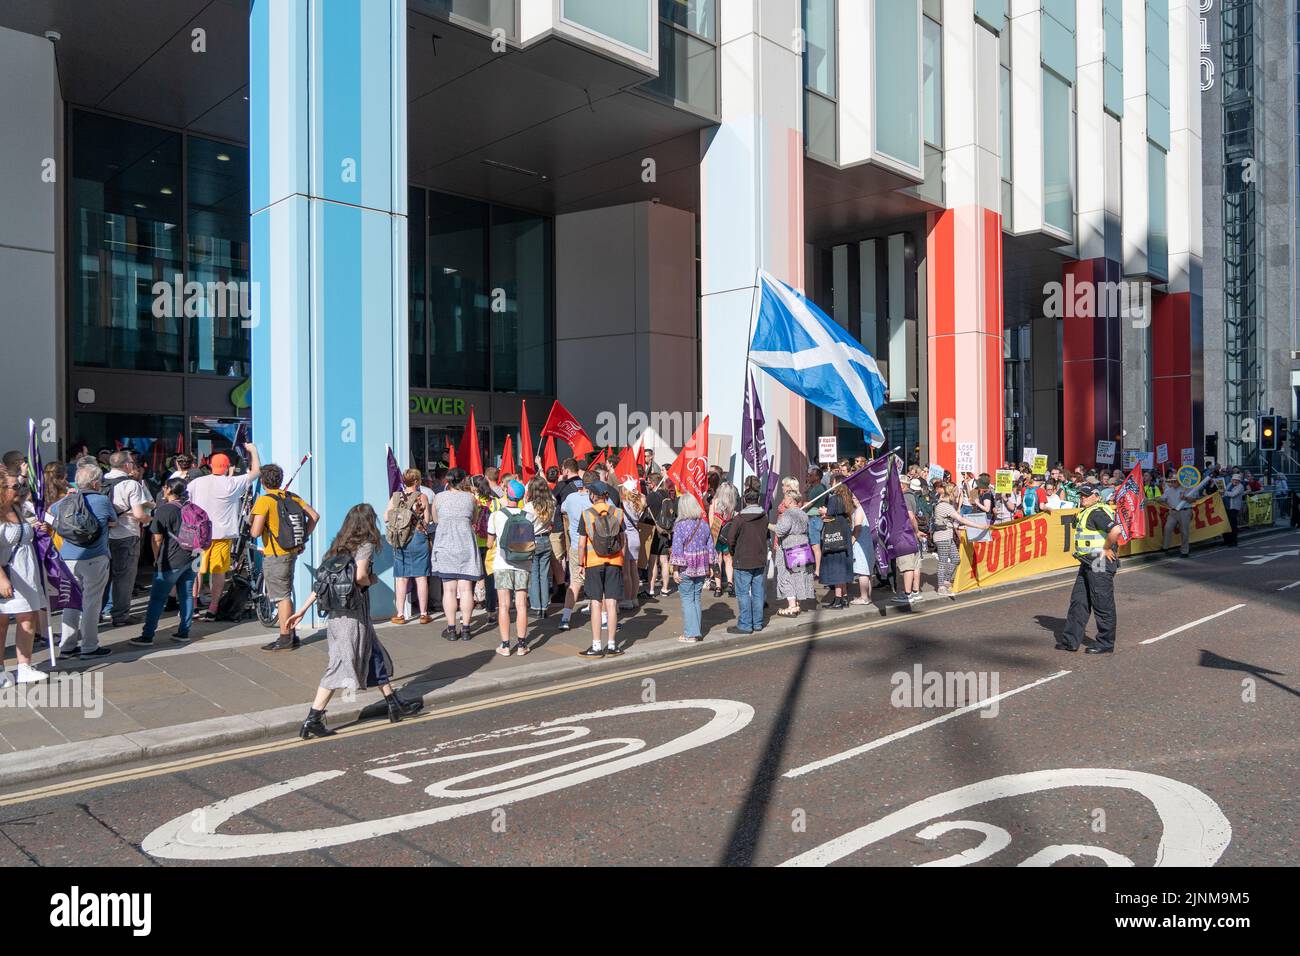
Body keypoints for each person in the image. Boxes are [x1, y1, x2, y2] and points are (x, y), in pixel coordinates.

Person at [286, 504, 422, 738]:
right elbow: (360, 577)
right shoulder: (365, 545)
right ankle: (313, 719)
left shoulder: (337, 547)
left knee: (374, 655)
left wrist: (301, 611)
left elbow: (322, 584)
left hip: (337, 615)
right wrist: (373, 580)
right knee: (338, 665)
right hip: (353, 615)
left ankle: (394, 705)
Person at [249, 463, 320, 650]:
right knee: (286, 593)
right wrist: (303, 537)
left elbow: (255, 532)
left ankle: (285, 637)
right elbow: (314, 516)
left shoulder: (265, 501)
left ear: (263, 481)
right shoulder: (292, 497)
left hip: (275, 554)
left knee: (282, 597)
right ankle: (291, 633)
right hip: (291, 551)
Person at [49, 463, 117, 658]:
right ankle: (89, 646)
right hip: (95, 558)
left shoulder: (65, 501)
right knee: (91, 603)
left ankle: (67, 646)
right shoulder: (102, 500)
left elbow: (49, 515)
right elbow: (114, 521)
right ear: (95, 483)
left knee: (70, 603)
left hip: (68, 558)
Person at [186, 444, 260, 618]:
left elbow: (185, 503)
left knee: (197, 570)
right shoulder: (232, 483)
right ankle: (213, 607)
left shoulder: (196, 483)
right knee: (218, 572)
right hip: (222, 535)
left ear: (210, 465)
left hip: (199, 535)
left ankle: (194, 605)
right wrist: (253, 450)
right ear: (228, 467)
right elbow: (256, 471)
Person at [130, 478, 200, 646]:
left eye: (165, 486)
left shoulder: (164, 510)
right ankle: (184, 631)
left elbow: (157, 539)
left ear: (168, 490)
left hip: (171, 559)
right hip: (193, 556)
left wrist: (156, 559)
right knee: (186, 595)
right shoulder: (193, 508)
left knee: (157, 598)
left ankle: (147, 635)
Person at [1058, 484, 1123, 654]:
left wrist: (1107, 548)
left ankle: (1106, 643)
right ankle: (1071, 641)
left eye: (1086, 495)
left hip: (1098, 561)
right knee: (1079, 602)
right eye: (1081, 495)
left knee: (1102, 603)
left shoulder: (1097, 512)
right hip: (1087, 560)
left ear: (1096, 496)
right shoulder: (1087, 511)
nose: (1083, 498)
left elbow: (1116, 530)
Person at [0, 472, 49, 684]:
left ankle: (24, 666)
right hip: (7, 574)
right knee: (2, 622)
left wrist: (39, 529)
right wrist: (1, 579)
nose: (18, 489)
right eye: (14, 487)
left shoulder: (19, 509)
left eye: (19, 486)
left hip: (26, 573)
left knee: (28, 617)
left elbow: (24, 537)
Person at [100, 451, 151, 628]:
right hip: (126, 534)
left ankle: (97, 613)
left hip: (103, 536)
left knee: (103, 577)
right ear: (126, 465)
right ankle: (120, 615)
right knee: (124, 577)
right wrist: (148, 519)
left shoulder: (100, 481)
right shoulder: (131, 484)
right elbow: (138, 514)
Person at [431, 468, 482, 640]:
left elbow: (436, 519)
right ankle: (466, 628)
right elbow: (474, 520)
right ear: (462, 481)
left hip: (445, 546)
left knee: (449, 589)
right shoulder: (470, 498)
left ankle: (451, 629)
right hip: (466, 545)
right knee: (466, 589)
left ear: (447, 481)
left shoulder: (439, 498)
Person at [576, 481, 625, 658]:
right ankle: (612, 645)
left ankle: (596, 646)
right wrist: (621, 560)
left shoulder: (587, 514)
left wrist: (581, 564)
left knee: (596, 603)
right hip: (614, 561)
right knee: (611, 603)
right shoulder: (618, 513)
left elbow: (582, 544)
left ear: (593, 495)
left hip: (594, 562)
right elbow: (622, 539)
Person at [487, 479, 532, 656]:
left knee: (504, 605)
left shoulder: (496, 515)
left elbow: (490, 543)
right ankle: (522, 645)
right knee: (521, 605)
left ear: (507, 495)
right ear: (521, 497)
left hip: (502, 563)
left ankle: (505, 645)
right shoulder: (528, 515)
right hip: (524, 563)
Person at [384, 468, 433, 627]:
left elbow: (386, 517)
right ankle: (424, 614)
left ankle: (400, 614)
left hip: (401, 539)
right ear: (417, 481)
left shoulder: (395, 497)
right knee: (421, 577)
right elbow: (427, 521)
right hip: (418, 539)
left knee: (401, 578)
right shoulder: (422, 497)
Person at [722, 487, 770, 634]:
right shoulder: (764, 516)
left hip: (742, 560)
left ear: (744, 500)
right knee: (758, 592)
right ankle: (757, 623)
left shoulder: (739, 518)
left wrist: (733, 552)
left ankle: (745, 624)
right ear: (758, 500)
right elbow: (766, 536)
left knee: (743, 594)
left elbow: (730, 539)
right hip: (759, 559)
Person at [669, 492, 713, 643]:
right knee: (696, 599)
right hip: (701, 567)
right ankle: (696, 630)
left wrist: (674, 570)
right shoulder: (704, 524)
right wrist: (711, 565)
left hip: (685, 568)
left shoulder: (680, 526)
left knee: (687, 599)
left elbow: (677, 549)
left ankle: (691, 633)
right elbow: (710, 546)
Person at [559, 472, 593, 632]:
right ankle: (604, 618)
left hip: (574, 544)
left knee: (574, 583)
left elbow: (563, 509)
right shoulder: (597, 499)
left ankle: (565, 618)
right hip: (593, 547)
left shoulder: (571, 497)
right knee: (598, 583)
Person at [773, 486, 814, 616]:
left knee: (786, 575)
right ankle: (797, 604)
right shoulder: (803, 513)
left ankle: (791, 606)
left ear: (790, 500)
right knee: (799, 574)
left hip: (789, 547)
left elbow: (780, 530)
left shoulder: (787, 514)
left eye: (785, 498)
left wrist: (767, 525)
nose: (783, 501)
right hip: (803, 545)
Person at [816, 479, 854, 608]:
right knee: (842, 567)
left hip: (835, 537)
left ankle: (838, 600)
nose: (831, 485)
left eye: (833, 482)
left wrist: (823, 513)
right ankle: (844, 598)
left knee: (837, 567)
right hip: (844, 534)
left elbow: (830, 516)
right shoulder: (847, 498)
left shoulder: (834, 499)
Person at [523, 476, 556, 620]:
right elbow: (552, 497)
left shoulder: (529, 507)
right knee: (544, 574)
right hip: (546, 539)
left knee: (534, 575)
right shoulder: (552, 503)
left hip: (533, 539)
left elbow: (524, 526)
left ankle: (536, 606)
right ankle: (544, 606)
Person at [1161, 471, 1211, 557]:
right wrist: (1153, 499)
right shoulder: (1168, 490)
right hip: (1173, 512)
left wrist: (1185, 498)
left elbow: (1193, 500)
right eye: (1171, 481)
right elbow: (1162, 499)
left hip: (1185, 511)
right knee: (1167, 528)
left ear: (1180, 481)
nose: (1173, 482)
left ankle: (1184, 551)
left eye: (1175, 481)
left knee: (1184, 531)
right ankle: (1165, 547)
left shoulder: (1188, 488)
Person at [619, 477, 647, 610]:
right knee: (634, 571)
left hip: (627, 538)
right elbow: (642, 497)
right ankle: (634, 598)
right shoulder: (639, 503)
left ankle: (627, 599)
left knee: (626, 572)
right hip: (636, 537)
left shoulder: (624, 504)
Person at [646, 484, 676, 597]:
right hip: (665, 533)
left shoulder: (652, 496)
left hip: (654, 531)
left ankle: (651, 589)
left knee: (653, 562)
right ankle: (665, 589)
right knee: (664, 561)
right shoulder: (667, 497)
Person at [1222, 472, 1245, 546]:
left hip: (1233, 508)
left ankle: (1233, 541)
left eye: (1237, 480)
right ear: (1232, 480)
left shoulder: (1240, 486)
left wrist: (1224, 492)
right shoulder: (1229, 484)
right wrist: (1223, 492)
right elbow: (1224, 492)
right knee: (1225, 525)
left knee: (1232, 525)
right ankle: (1226, 541)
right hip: (1226, 507)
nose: (1235, 481)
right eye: (1234, 480)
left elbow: (1233, 494)